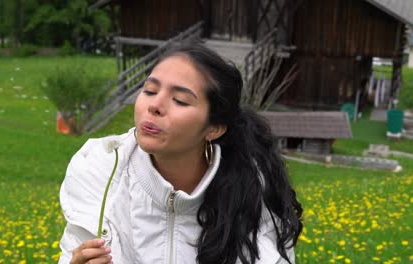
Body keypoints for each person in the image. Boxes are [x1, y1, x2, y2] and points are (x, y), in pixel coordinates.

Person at [58, 42, 303, 264]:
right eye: (150, 91)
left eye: (180, 101)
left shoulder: (251, 190)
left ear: (213, 128)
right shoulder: (100, 168)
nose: (154, 106)